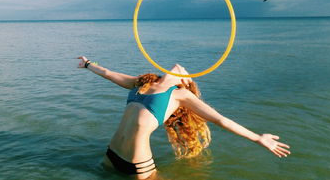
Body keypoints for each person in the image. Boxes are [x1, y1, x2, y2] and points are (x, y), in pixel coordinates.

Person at [77, 56, 291, 179]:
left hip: (139, 166)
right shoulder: (141, 83)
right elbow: (107, 73)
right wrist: (88, 64)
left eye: (186, 75)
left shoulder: (180, 95)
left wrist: (258, 138)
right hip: (110, 156)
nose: (180, 69)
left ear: (185, 83)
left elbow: (221, 120)